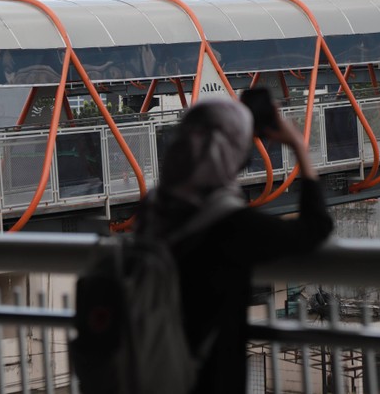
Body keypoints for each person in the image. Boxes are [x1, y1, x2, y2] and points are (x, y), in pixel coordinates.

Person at [133, 93, 334, 394]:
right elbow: (316, 227)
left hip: (147, 371)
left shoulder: (151, 210)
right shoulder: (231, 225)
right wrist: (298, 147)